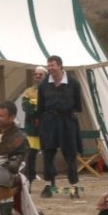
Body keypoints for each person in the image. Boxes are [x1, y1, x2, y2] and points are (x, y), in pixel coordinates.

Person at [37, 55, 83, 199]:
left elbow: (78, 106)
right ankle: (48, 186)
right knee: (48, 154)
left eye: (53, 65)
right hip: (49, 121)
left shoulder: (74, 83)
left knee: (70, 154)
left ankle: (74, 187)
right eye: (48, 66)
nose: (50, 68)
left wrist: (65, 111)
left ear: (60, 66)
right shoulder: (43, 84)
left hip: (67, 121)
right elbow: (40, 106)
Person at [21, 66, 47, 188]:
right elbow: (26, 107)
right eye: (35, 74)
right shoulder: (28, 91)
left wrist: (34, 103)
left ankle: (49, 183)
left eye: (40, 75)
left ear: (46, 76)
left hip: (48, 128)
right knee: (30, 156)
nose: (37, 76)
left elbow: (49, 107)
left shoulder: (50, 90)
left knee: (48, 155)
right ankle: (29, 181)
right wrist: (37, 105)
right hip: (32, 129)